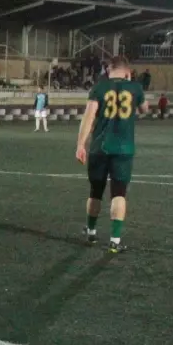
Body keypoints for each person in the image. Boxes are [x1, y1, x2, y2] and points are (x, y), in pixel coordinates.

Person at [75, 56, 148, 253]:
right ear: (128, 72)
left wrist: (80, 144)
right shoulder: (135, 88)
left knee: (95, 192)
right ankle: (115, 241)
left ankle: (91, 232)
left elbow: (89, 117)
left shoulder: (99, 87)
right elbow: (144, 109)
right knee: (118, 193)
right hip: (124, 149)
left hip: (100, 147)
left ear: (108, 70)